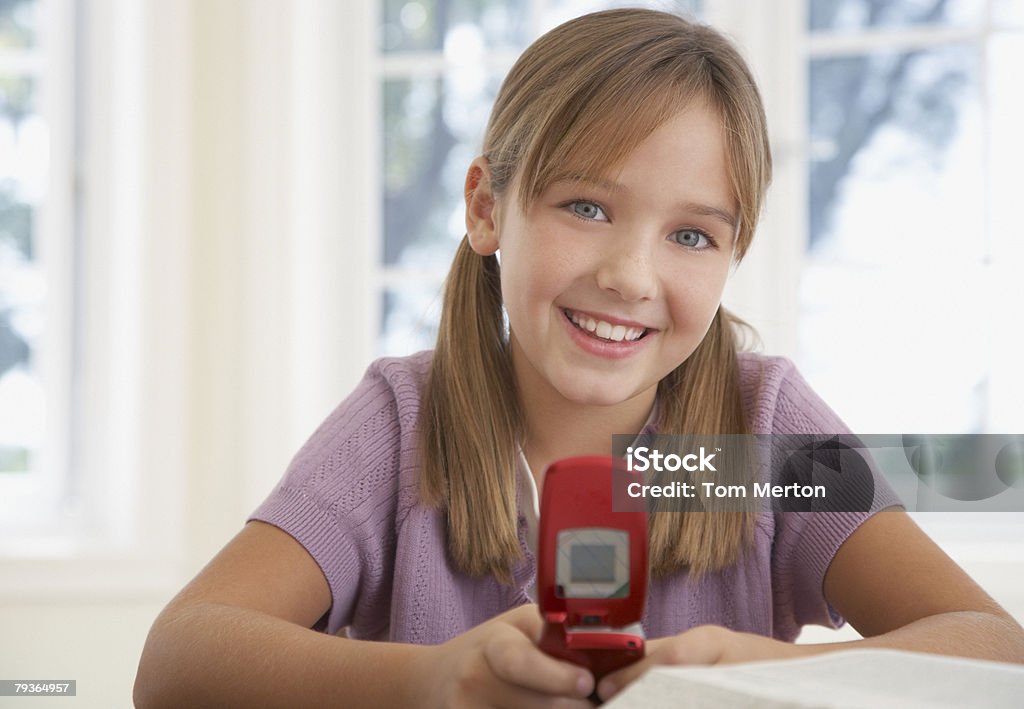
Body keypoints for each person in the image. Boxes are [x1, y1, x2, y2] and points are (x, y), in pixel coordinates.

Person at [133, 8, 1024, 707]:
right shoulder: (404, 422)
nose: (631, 275)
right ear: (487, 206)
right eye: (587, 208)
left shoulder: (765, 432)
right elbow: (177, 660)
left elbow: (996, 648)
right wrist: (428, 684)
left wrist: (760, 675)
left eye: (690, 234)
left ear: (732, 258)